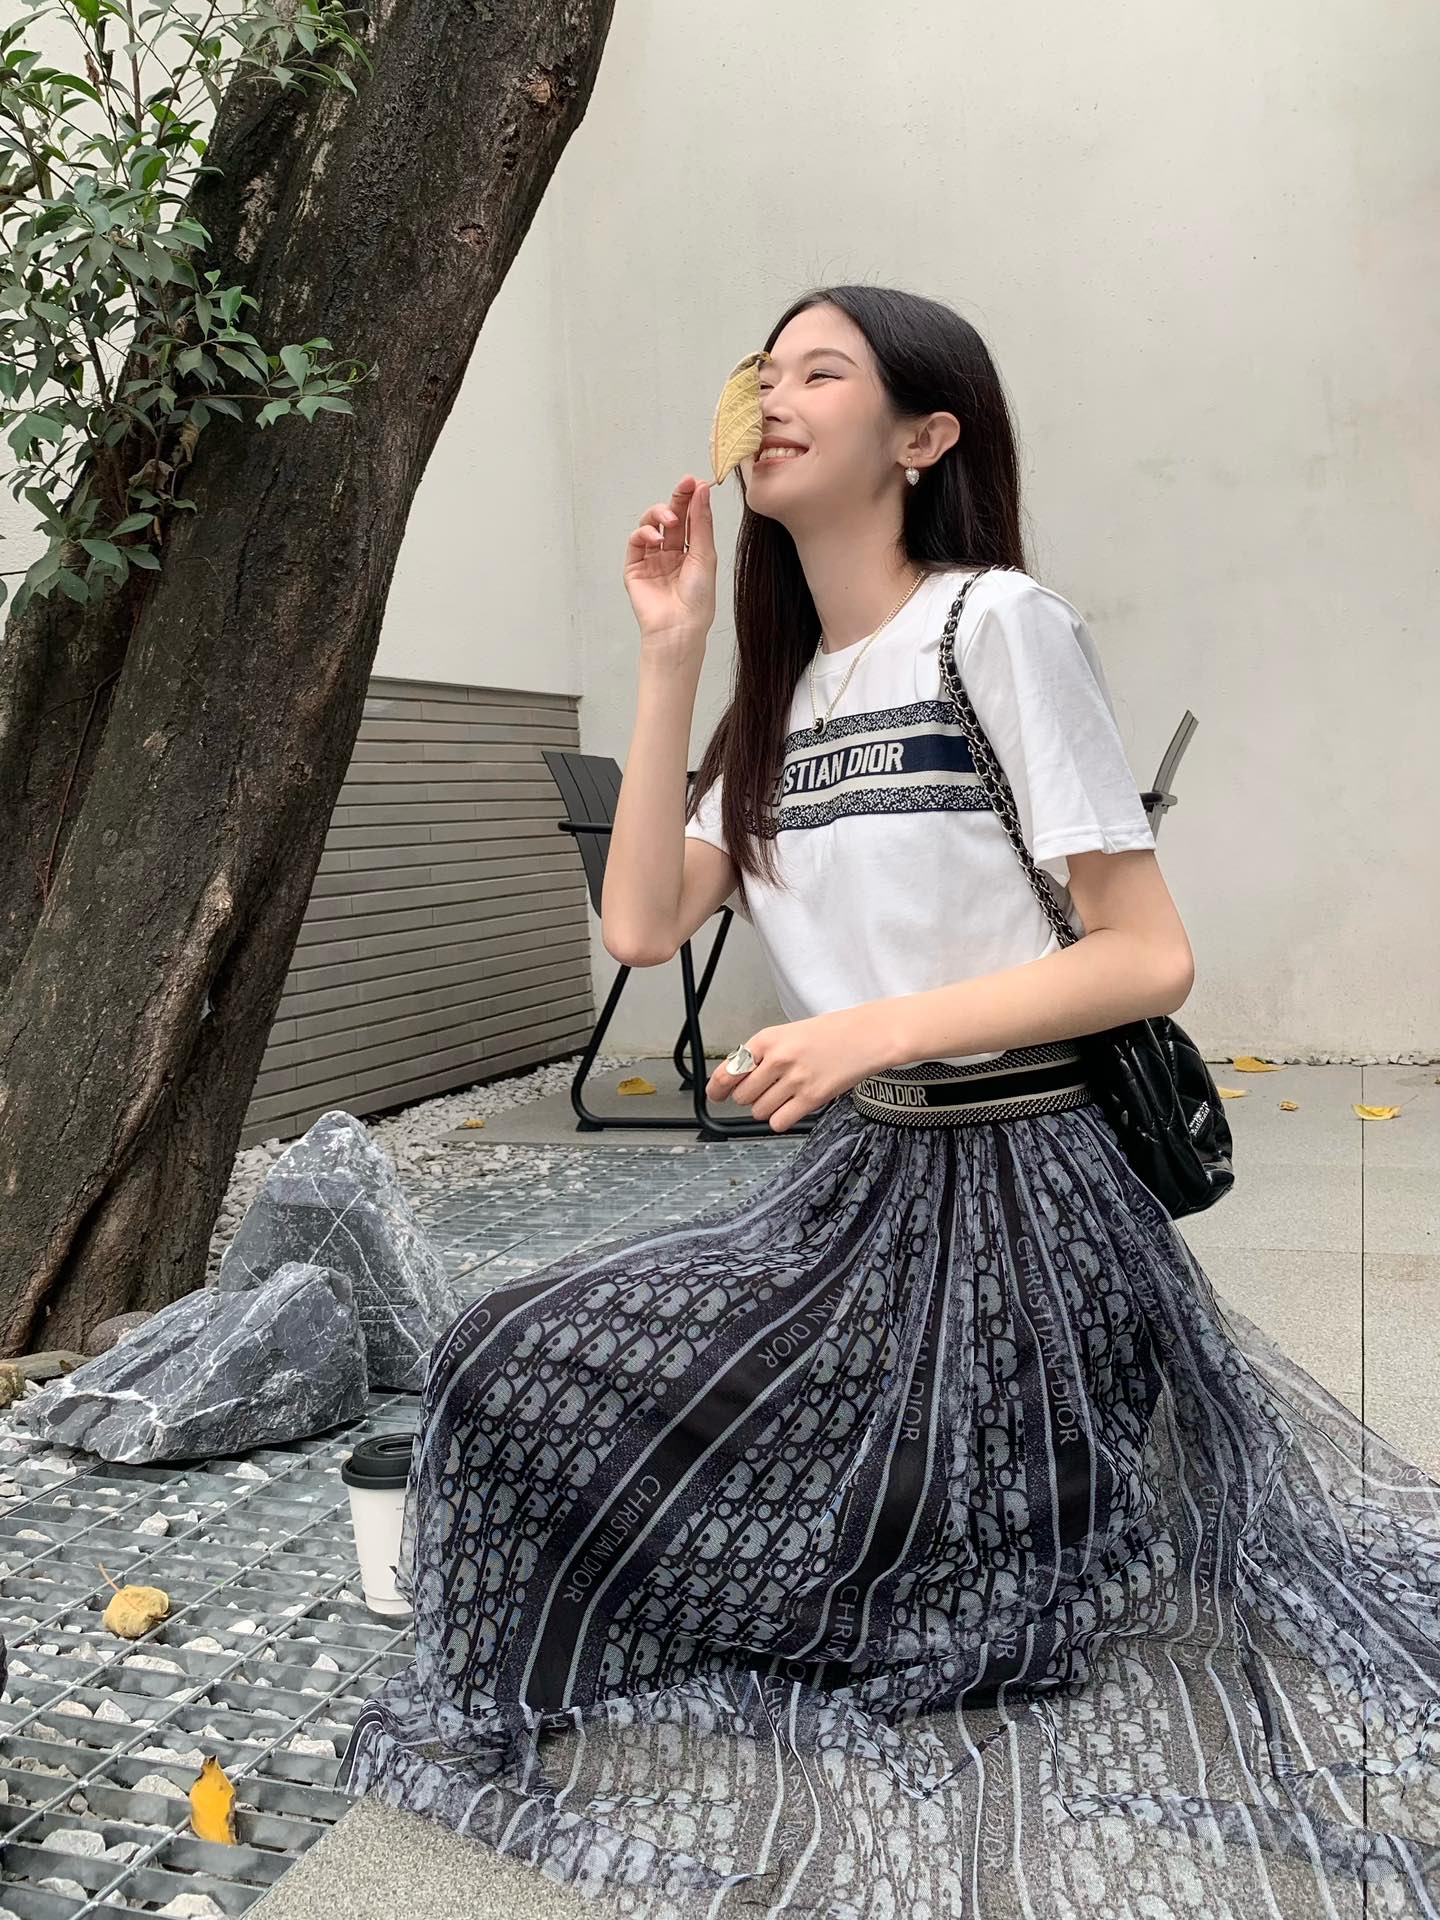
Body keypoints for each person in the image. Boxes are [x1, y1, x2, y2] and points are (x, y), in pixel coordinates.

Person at [338, 286, 1440, 1918]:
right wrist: (670, 649)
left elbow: (1149, 956)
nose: (776, 396)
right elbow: (639, 925)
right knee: (504, 1355)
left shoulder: (994, 625)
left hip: (1027, 1200)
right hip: (855, 1198)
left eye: (823, 371)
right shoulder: (778, 703)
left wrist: (869, 1033)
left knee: (915, 1592)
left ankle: (1021, 1501)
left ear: (923, 438)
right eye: (765, 371)